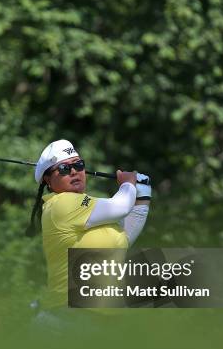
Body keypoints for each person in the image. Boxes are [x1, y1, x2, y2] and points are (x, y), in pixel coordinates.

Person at [27, 139, 151, 335]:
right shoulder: (61, 204)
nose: (74, 171)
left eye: (78, 165)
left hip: (100, 323)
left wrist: (143, 194)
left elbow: (124, 238)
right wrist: (128, 184)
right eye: (64, 169)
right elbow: (121, 206)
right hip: (66, 321)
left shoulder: (91, 214)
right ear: (48, 181)